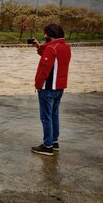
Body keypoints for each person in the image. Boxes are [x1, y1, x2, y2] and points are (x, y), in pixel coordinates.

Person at [31, 23, 71, 156]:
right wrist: (39, 47)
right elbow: (52, 58)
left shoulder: (51, 49)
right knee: (54, 114)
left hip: (47, 88)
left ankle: (47, 146)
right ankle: (54, 142)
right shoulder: (65, 47)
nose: (44, 36)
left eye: (45, 34)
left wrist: (37, 85)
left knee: (45, 117)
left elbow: (45, 70)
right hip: (59, 88)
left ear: (51, 34)